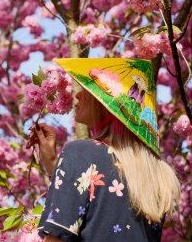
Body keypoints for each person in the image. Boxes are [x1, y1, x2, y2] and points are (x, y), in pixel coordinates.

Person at [27, 58, 180, 242]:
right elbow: (106, 209)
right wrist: (53, 165)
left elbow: (59, 236)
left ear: (106, 102)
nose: (78, 95)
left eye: (87, 89)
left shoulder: (81, 153)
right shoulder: (156, 175)